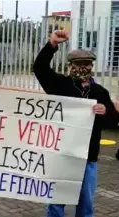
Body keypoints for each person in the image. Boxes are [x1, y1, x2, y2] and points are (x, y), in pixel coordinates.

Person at [33, 30, 119, 217]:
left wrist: (106, 112)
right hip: (62, 155)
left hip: (88, 158)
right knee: (56, 202)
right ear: (70, 66)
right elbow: (39, 69)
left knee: (85, 204)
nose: (82, 68)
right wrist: (52, 45)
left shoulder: (100, 92)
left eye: (86, 64)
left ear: (92, 66)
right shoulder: (59, 85)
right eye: (78, 64)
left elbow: (114, 121)